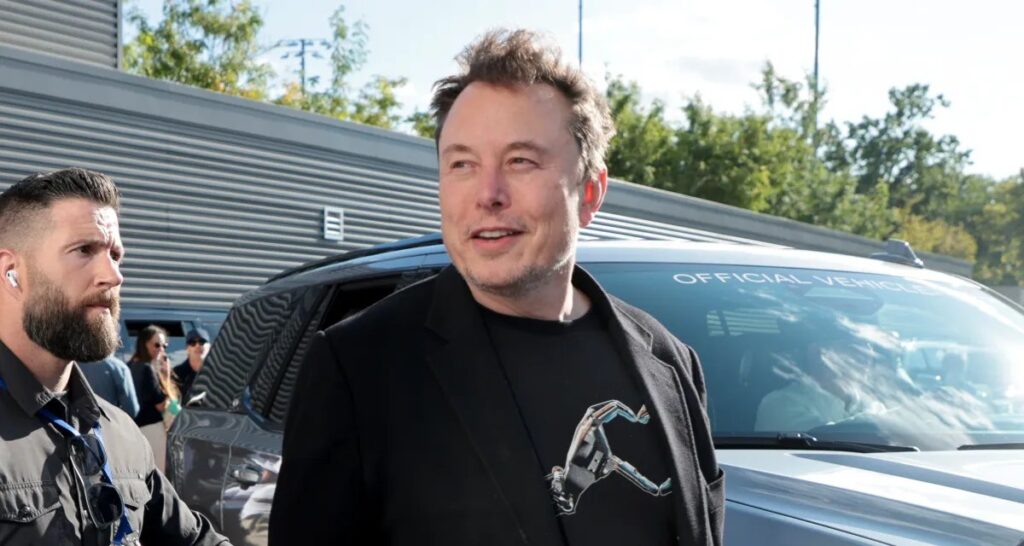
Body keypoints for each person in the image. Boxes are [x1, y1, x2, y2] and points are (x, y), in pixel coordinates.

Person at [271, 30, 723, 546]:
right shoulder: (359, 369)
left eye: (520, 161)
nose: (487, 194)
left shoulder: (670, 363)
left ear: (590, 192)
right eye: (462, 164)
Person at [0, 168, 228, 544]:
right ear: (12, 272)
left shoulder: (119, 431)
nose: (114, 275)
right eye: (84, 250)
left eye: (115, 255)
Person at [127, 324, 181, 471]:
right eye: (157, 345)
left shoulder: (130, 365)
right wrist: (166, 376)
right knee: (158, 472)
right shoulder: (147, 368)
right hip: (152, 428)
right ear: (144, 344)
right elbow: (161, 405)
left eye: (164, 346)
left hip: (134, 428)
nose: (161, 349)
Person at [173, 327, 210, 401]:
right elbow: (170, 402)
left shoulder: (218, 372)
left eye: (202, 342)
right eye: (192, 343)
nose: (197, 345)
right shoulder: (176, 374)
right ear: (187, 348)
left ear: (209, 347)